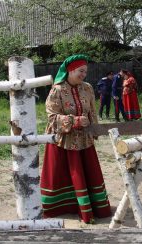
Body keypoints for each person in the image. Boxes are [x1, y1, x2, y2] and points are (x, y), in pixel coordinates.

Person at [40, 54, 111, 224]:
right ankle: (64, 208)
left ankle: (91, 209)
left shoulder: (87, 88)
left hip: (84, 141)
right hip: (64, 143)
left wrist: (94, 129)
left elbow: (92, 111)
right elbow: (51, 118)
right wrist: (74, 121)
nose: (84, 74)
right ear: (70, 70)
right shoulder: (56, 90)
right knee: (67, 174)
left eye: (85, 71)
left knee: (87, 173)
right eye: (80, 71)